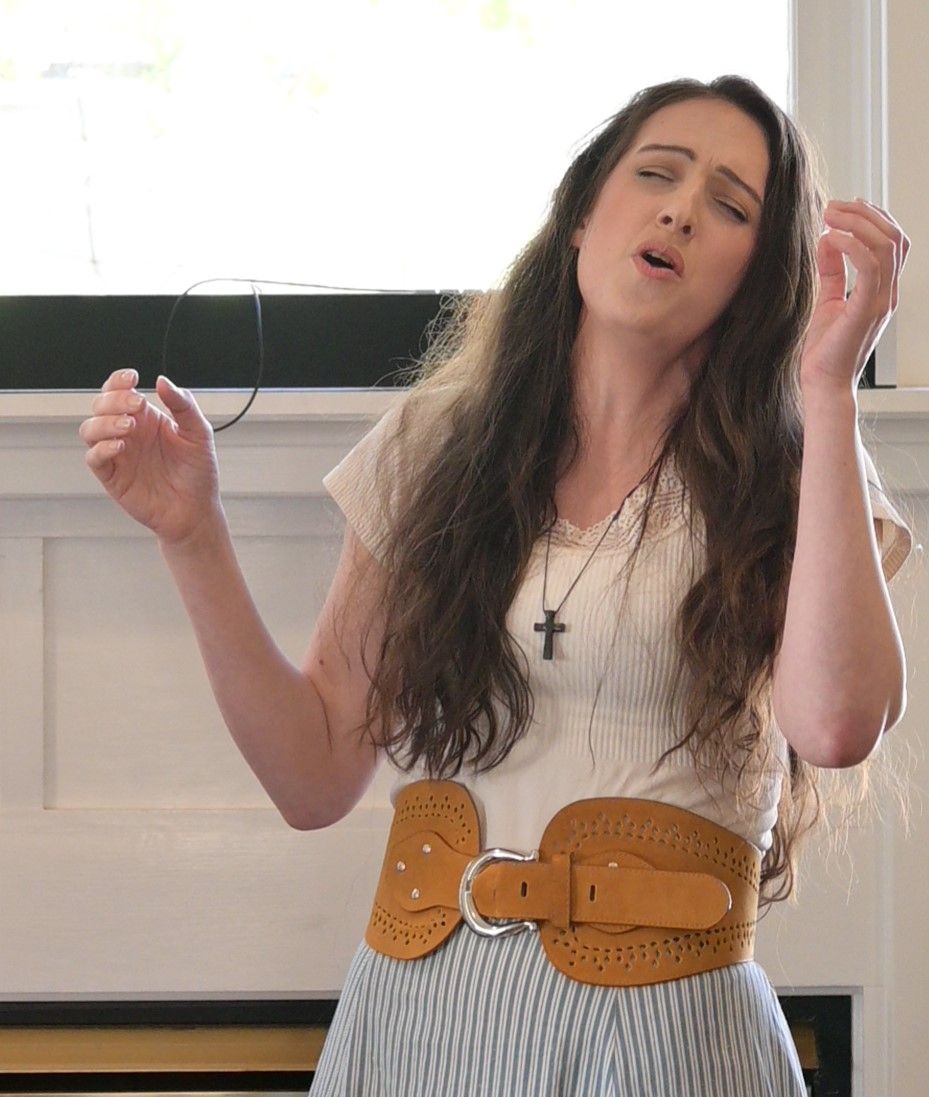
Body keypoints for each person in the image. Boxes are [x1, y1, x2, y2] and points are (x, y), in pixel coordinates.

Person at [81, 74, 914, 1095]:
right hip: (415, 1016)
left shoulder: (801, 467)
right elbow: (312, 776)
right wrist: (191, 533)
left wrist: (828, 388)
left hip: (671, 1034)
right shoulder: (434, 442)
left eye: (730, 206)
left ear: (758, 278)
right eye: (655, 174)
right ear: (580, 216)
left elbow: (834, 725)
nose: (680, 211)